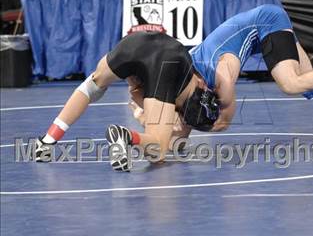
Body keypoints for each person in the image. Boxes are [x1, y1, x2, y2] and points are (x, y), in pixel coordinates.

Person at [112, 5, 313, 172]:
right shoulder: (184, 81)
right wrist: (153, 133)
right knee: (312, 85)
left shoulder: (217, 68)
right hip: (261, 31)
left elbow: (225, 100)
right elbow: (179, 141)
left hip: (266, 22)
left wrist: (222, 118)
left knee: (290, 83)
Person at [35, 32, 220, 171]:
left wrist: (146, 112)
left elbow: (136, 93)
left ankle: (47, 141)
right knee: (158, 151)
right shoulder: (179, 97)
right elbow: (140, 98)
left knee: (92, 86)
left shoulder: (200, 79)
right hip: (167, 65)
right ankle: (125, 136)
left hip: (134, 43)